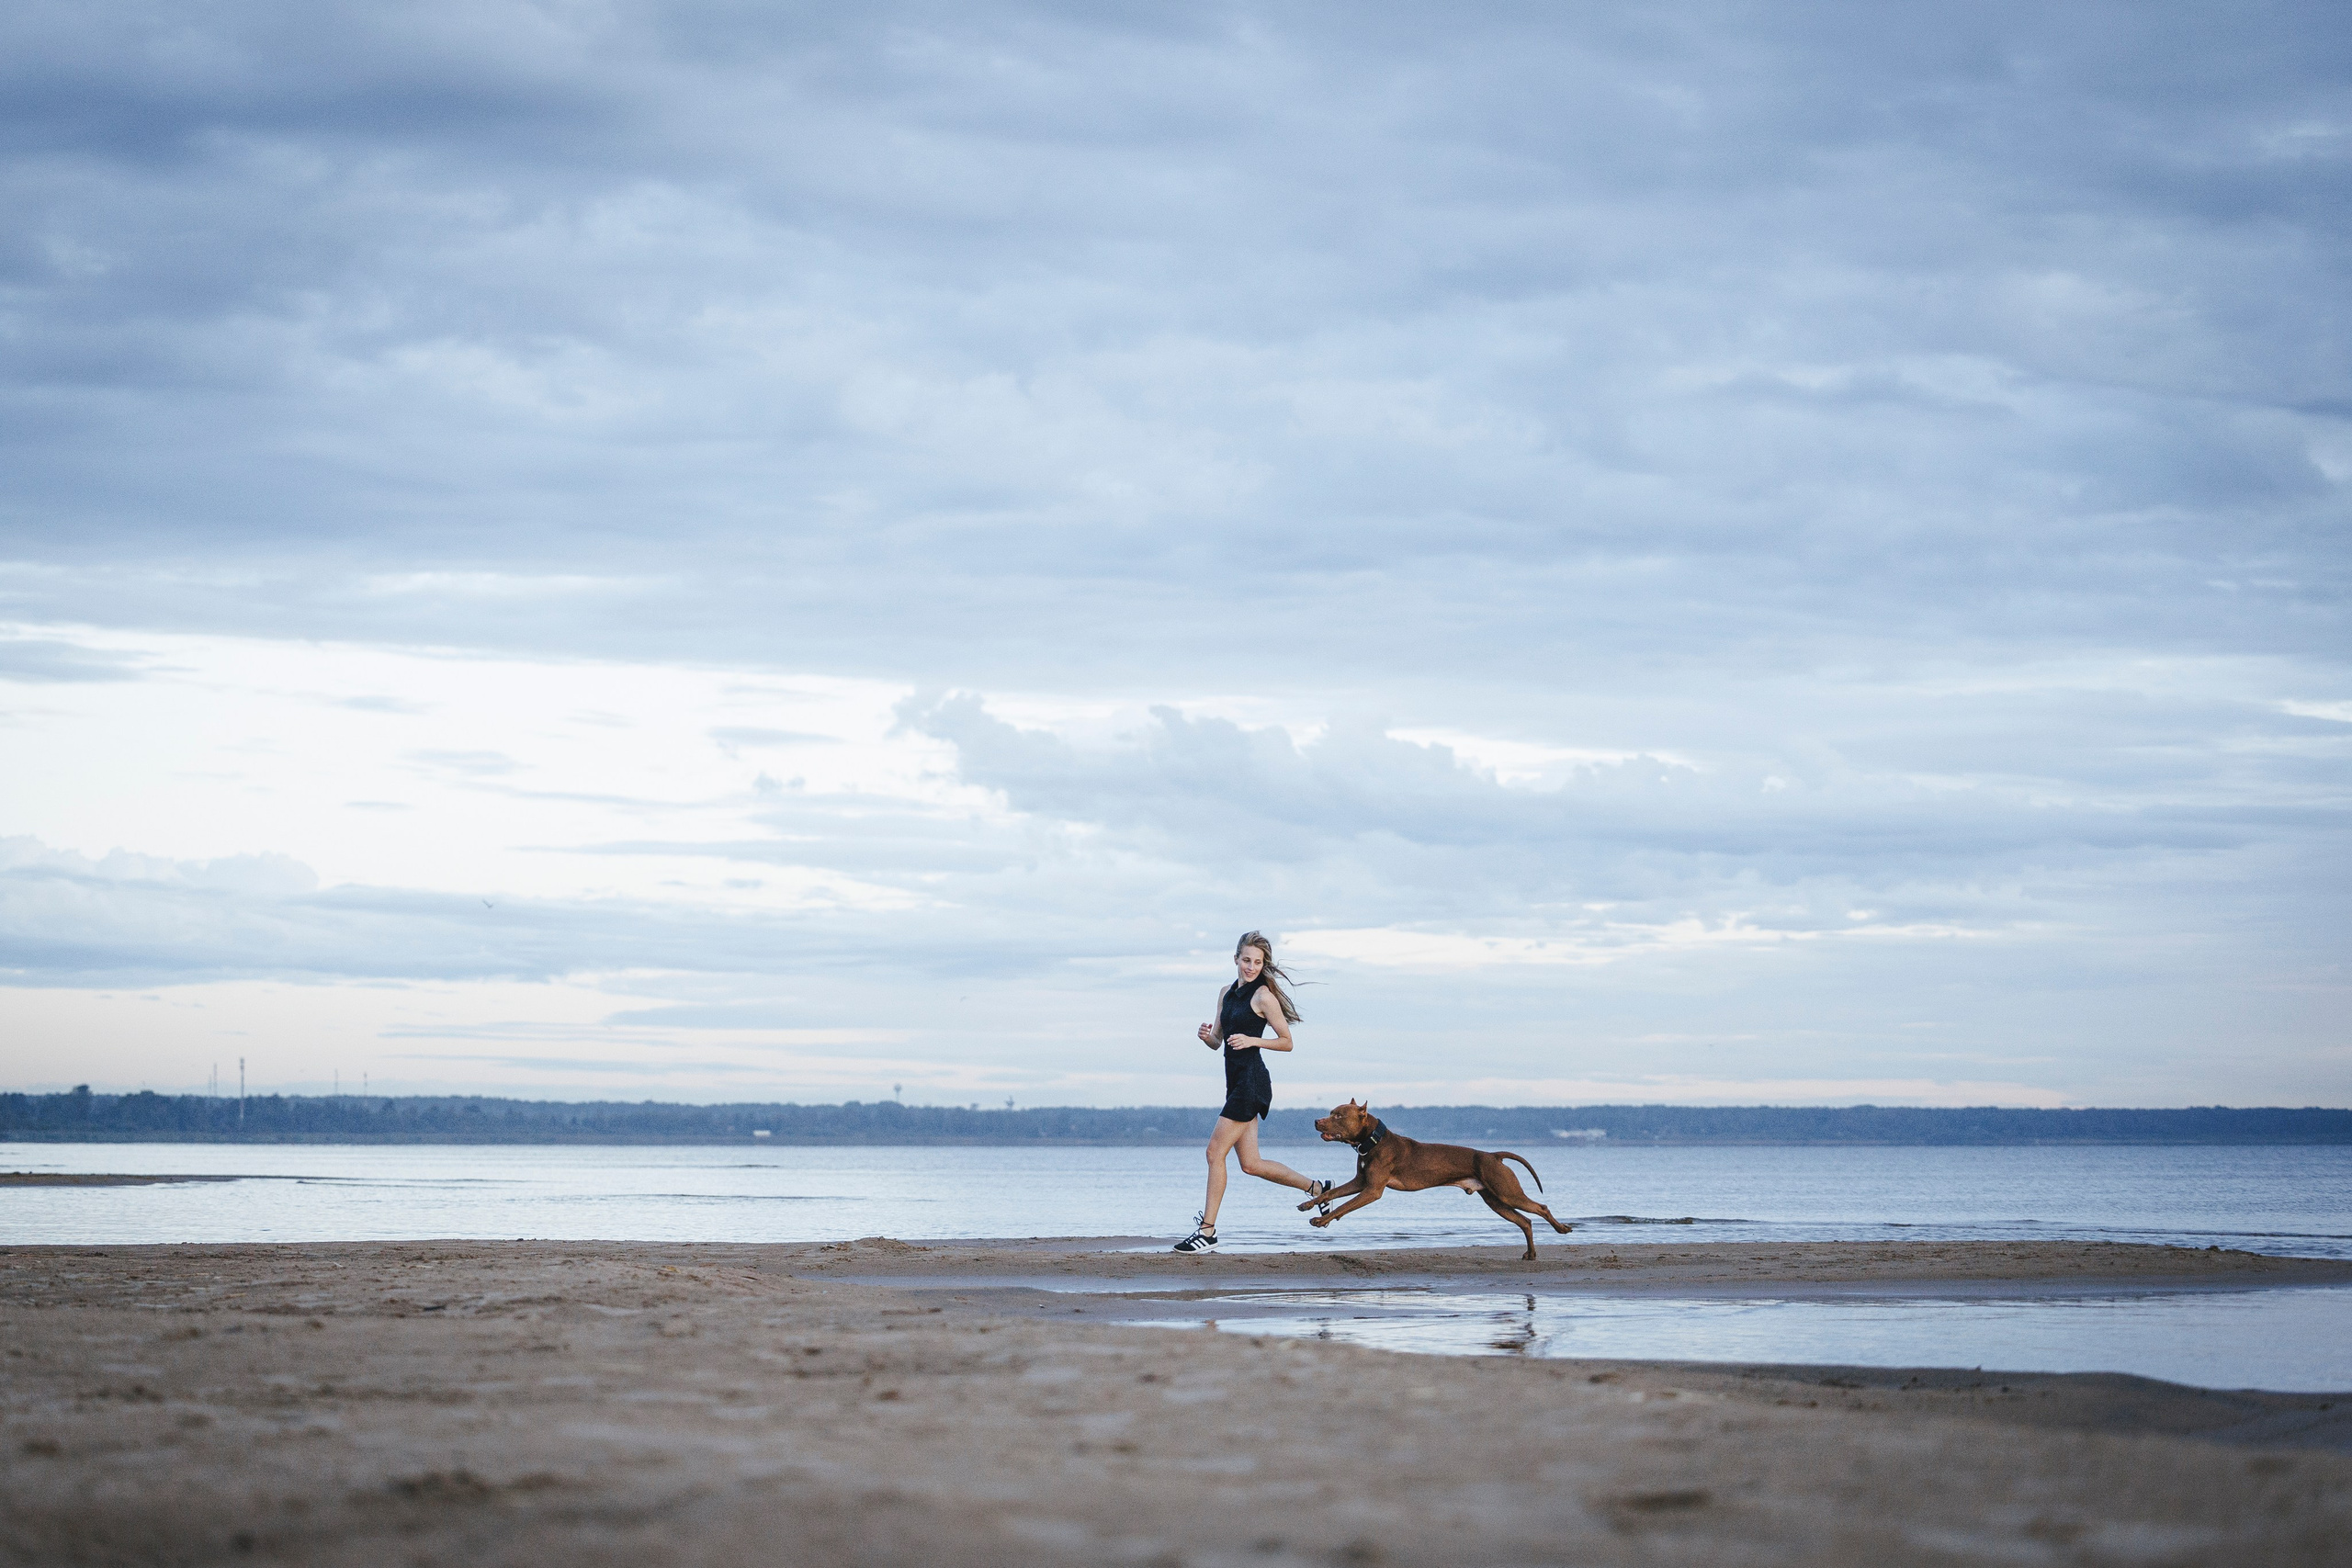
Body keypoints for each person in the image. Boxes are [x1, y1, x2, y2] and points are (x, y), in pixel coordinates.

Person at [1172, 931, 1332, 1253]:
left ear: (1263, 965)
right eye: (1246, 960)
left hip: (1252, 1083)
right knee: (1252, 1164)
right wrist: (1206, 1037)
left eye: (1257, 962)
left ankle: (1208, 1232)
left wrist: (1253, 1040)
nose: (1251, 967)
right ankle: (1318, 1188)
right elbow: (1218, 1041)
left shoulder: (1263, 997)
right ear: (1235, 959)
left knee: (1214, 1153)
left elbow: (1287, 1042)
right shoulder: (1226, 994)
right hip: (1236, 1083)